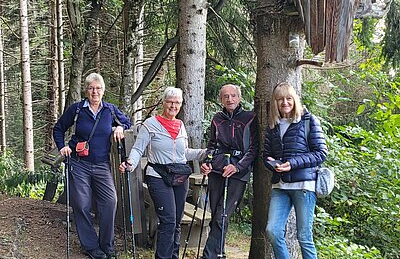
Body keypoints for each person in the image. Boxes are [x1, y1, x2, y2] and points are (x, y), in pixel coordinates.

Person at [119, 87, 206, 259]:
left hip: (180, 177)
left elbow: (184, 153)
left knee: (176, 222)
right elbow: (138, 148)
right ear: (163, 103)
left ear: (181, 105)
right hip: (158, 176)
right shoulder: (150, 124)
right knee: (168, 221)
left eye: (177, 102)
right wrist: (130, 163)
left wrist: (204, 153)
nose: (173, 106)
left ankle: (173, 256)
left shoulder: (180, 125)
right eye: (170, 102)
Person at [53, 73, 132, 259]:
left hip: (102, 164)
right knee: (81, 204)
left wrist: (120, 127)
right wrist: (62, 146)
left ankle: (107, 245)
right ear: (86, 90)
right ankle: (90, 246)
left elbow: (127, 122)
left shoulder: (110, 110)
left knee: (110, 201)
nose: (94, 91)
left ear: (103, 90)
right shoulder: (78, 109)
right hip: (79, 164)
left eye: (98, 88)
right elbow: (58, 128)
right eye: (91, 88)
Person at [263, 83, 328, 259]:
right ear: (275, 102)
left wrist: (292, 163)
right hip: (280, 185)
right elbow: (266, 155)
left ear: (294, 100)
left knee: (304, 236)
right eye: (280, 99)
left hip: (304, 186)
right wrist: (272, 163)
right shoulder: (273, 125)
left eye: (288, 98)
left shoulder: (308, 120)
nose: (285, 102)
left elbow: (321, 153)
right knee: (273, 231)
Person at [200, 84, 259, 258]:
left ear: (239, 98)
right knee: (215, 216)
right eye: (225, 96)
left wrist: (238, 166)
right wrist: (206, 163)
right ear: (221, 99)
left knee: (222, 216)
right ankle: (219, 253)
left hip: (237, 173)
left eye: (233, 96)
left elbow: (254, 148)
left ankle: (208, 256)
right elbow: (211, 145)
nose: (230, 99)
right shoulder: (217, 119)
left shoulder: (250, 118)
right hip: (217, 171)